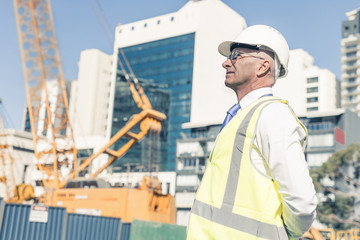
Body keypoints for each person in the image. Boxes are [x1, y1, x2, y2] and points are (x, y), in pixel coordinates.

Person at [187, 25, 318, 240]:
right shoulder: (242, 118)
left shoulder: (272, 114)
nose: (226, 62)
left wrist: (281, 234)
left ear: (263, 66)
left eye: (237, 56)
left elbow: (302, 204)